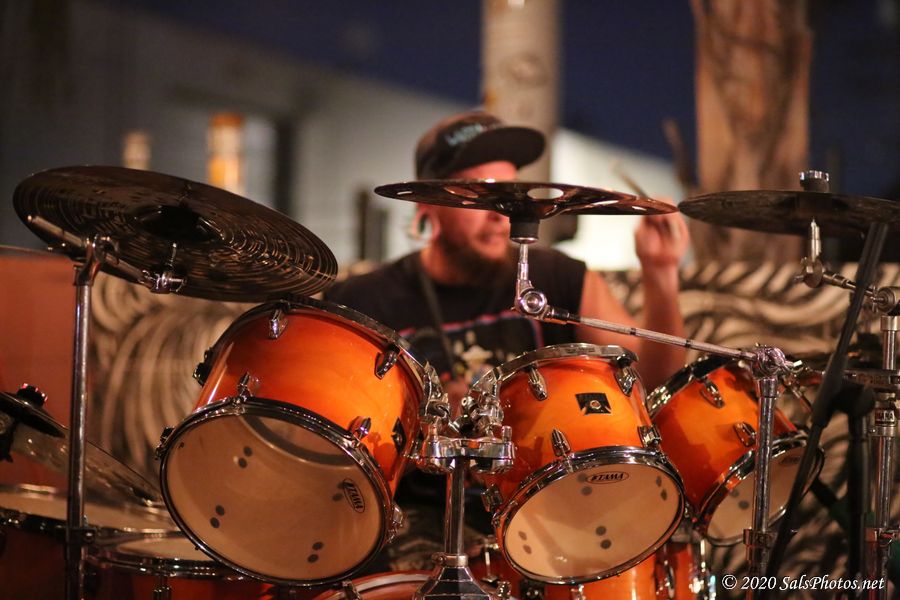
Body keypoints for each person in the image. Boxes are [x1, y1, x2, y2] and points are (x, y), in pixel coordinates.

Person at [323, 110, 690, 570]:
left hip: (549, 506)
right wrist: (423, 424)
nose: (501, 213)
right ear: (428, 204)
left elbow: (651, 381)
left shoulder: (557, 278)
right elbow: (334, 443)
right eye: (481, 193)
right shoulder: (365, 300)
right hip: (417, 517)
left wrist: (661, 273)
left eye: (511, 193)